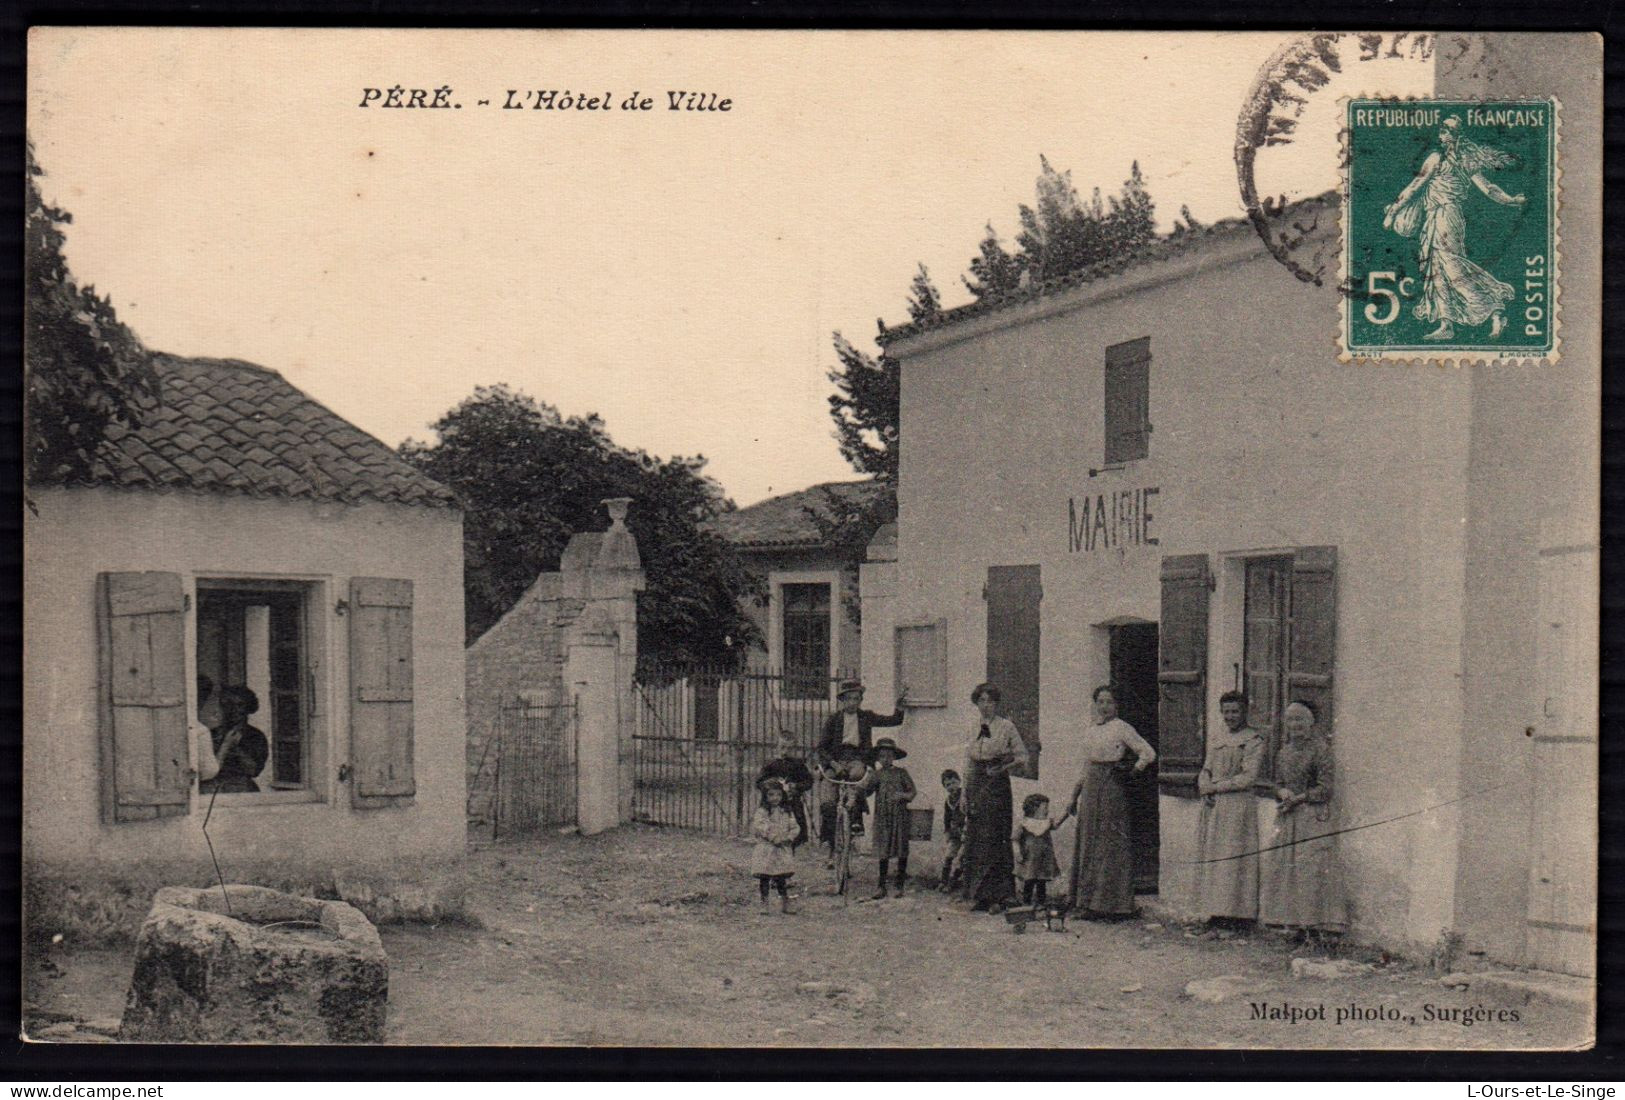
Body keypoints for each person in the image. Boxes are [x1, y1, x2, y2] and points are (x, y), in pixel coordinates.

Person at [1383, 115, 1526, 342]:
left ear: (1454, 135)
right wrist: (1510, 200)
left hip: (1446, 216)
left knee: (1450, 265)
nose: (1443, 133)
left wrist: (1392, 212)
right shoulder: (1456, 159)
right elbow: (1488, 188)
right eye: (1442, 129)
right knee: (1436, 267)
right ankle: (1446, 323)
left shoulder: (1442, 158)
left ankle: (1494, 305)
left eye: (1447, 130)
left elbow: (1414, 187)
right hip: (1438, 216)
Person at [1066, 685, 1155, 919]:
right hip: (1091, 788)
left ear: (1116, 705)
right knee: (1089, 841)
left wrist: (1132, 771)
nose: (1104, 707)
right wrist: (1074, 797)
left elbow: (1148, 753)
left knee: (1109, 843)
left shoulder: (1122, 728)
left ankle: (1111, 905)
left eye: (1109, 702)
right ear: (1095, 704)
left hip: (1111, 788)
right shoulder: (1090, 731)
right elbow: (1085, 767)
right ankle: (1086, 902)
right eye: (1100, 702)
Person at [1259, 700, 1345, 939]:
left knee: (1312, 870)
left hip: (1313, 817)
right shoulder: (1284, 752)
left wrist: (1299, 798)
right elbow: (1277, 782)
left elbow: (1326, 789)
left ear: (1311, 723)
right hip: (1289, 816)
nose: (1294, 724)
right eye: (1290, 719)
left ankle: (1318, 929)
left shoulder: (1321, 750)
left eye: (1300, 719)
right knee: (1288, 869)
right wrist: (1281, 792)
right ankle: (1294, 926)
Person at [1195, 691, 1265, 926]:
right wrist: (1204, 785)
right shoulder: (1217, 738)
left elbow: (1248, 777)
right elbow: (1207, 768)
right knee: (1216, 857)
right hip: (1215, 805)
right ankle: (1216, 912)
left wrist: (1216, 787)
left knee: (1234, 859)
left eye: (1235, 711)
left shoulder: (1253, 740)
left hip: (1238, 805)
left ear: (1244, 711)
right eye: (1226, 711)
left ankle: (1237, 915)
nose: (1230, 716)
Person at [816, 680, 906, 853]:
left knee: (857, 778)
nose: (852, 703)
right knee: (827, 800)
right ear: (842, 700)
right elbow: (821, 747)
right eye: (849, 699)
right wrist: (833, 764)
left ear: (860, 701)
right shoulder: (834, 719)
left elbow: (894, 720)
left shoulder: (866, 717)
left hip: (857, 758)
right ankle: (827, 839)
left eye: (856, 699)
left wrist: (899, 705)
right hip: (835, 760)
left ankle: (856, 821)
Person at [959, 682, 1027, 913]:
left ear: (996, 703)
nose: (986, 705)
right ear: (976, 703)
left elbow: (1022, 756)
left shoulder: (1006, 727)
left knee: (996, 837)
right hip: (976, 783)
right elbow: (968, 761)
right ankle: (980, 894)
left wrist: (1001, 768)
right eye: (982, 701)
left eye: (990, 701)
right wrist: (964, 793)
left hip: (996, 785)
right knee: (977, 839)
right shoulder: (971, 726)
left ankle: (1003, 894)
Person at [862, 738, 916, 899]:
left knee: (901, 849)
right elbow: (867, 792)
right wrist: (865, 780)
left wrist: (902, 795)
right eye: (882, 756)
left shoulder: (902, 773)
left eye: (889, 755)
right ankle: (881, 886)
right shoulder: (876, 774)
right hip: (883, 817)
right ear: (878, 758)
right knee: (883, 850)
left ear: (894, 757)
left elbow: (912, 792)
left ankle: (899, 885)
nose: (886, 759)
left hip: (899, 816)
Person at [199, 685, 269, 794]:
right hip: (213, 789)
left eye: (240, 705)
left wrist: (235, 748)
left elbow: (254, 771)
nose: (234, 710)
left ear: (248, 708)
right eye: (228, 705)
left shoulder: (255, 736)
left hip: (242, 789)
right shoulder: (211, 734)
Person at [756, 730, 815, 849]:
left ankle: (789, 855)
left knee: (792, 834)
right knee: (770, 835)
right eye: (782, 747)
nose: (785, 752)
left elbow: (808, 782)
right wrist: (771, 786)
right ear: (776, 746)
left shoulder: (798, 765)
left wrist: (796, 786)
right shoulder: (770, 764)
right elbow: (759, 782)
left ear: (794, 749)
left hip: (791, 805)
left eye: (789, 749)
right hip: (772, 805)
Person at [750, 779, 800, 915]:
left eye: (778, 795)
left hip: (781, 848)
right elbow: (760, 826)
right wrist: (773, 837)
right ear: (765, 797)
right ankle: (764, 903)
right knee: (765, 877)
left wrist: (789, 837)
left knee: (781, 877)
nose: (775, 798)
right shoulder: (762, 812)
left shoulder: (787, 811)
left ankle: (785, 902)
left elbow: (795, 826)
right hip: (767, 848)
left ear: (782, 795)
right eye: (771, 795)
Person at [1014, 792, 1072, 908]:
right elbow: (1015, 839)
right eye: (1045, 808)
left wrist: (1067, 813)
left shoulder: (1047, 822)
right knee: (1029, 881)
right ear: (1034, 808)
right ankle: (1026, 903)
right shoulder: (1024, 823)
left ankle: (1041, 903)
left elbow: (1056, 825)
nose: (1047, 810)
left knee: (1042, 882)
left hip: (1044, 858)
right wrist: (1018, 852)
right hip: (1029, 858)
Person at [938, 769, 966, 893]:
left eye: (954, 782)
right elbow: (946, 818)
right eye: (947, 785)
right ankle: (943, 881)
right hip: (955, 833)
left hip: (967, 832)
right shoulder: (948, 801)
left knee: (961, 858)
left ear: (959, 782)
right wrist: (947, 832)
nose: (951, 787)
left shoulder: (965, 796)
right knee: (948, 856)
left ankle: (952, 882)